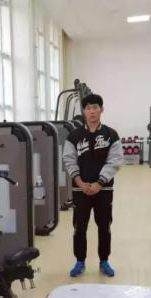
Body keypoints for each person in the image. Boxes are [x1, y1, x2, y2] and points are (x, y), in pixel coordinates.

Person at [63, 93, 124, 277]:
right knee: (79, 227)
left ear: (101, 109)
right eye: (88, 108)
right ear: (84, 111)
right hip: (80, 189)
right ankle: (79, 261)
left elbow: (115, 160)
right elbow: (69, 160)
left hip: (103, 190)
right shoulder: (74, 136)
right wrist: (79, 181)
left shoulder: (111, 135)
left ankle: (104, 261)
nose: (91, 111)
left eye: (95, 107)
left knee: (104, 226)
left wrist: (99, 182)